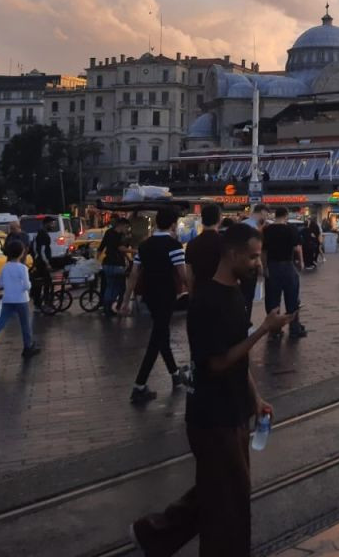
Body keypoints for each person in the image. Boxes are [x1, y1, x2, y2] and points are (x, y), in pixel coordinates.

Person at [131, 225, 296, 556]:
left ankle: (153, 534)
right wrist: (264, 329)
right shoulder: (206, 301)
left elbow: (239, 358)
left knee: (218, 490)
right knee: (229, 503)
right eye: (251, 257)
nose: (256, 263)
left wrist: (256, 399)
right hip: (211, 416)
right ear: (231, 255)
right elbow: (218, 362)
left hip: (232, 410)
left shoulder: (235, 293)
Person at [124, 208, 189, 404]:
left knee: (162, 335)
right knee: (157, 340)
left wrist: (125, 301)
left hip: (149, 297)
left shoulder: (144, 246)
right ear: (172, 224)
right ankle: (139, 385)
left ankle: (175, 374)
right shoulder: (174, 245)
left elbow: (134, 274)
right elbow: (183, 274)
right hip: (166, 296)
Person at [0, 239, 40, 361]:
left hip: (8, 299)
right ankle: (28, 347)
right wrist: (21, 287)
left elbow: (0, 283)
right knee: (25, 324)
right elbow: (27, 286)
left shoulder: (5, 267)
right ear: (21, 253)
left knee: (0, 324)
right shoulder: (22, 268)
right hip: (21, 299)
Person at [262, 208, 307, 339]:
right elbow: (297, 248)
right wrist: (301, 262)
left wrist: (264, 268)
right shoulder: (291, 229)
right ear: (286, 216)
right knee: (292, 298)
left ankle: (275, 330)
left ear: (275, 215)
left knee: (272, 300)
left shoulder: (267, 230)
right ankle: (294, 328)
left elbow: (264, 251)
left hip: (272, 266)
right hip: (288, 266)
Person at [185, 205, 224, 291]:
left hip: (199, 291)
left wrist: (191, 295)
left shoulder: (192, 244)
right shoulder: (225, 242)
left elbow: (189, 275)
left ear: (202, 220)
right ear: (219, 219)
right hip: (220, 292)